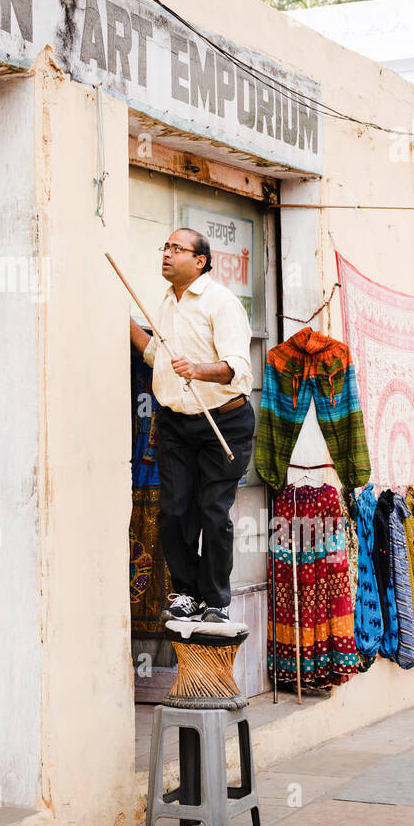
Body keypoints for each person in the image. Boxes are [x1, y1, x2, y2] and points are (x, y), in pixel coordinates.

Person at [129, 228, 254, 626]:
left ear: (200, 261)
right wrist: (122, 320)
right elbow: (155, 355)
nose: (166, 254)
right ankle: (186, 592)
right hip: (177, 425)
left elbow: (239, 368)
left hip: (224, 421)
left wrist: (199, 369)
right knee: (174, 512)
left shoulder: (222, 303)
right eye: (164, 247)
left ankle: (216, 600)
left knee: (212, 511)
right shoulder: (167, 304)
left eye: (175, 249)